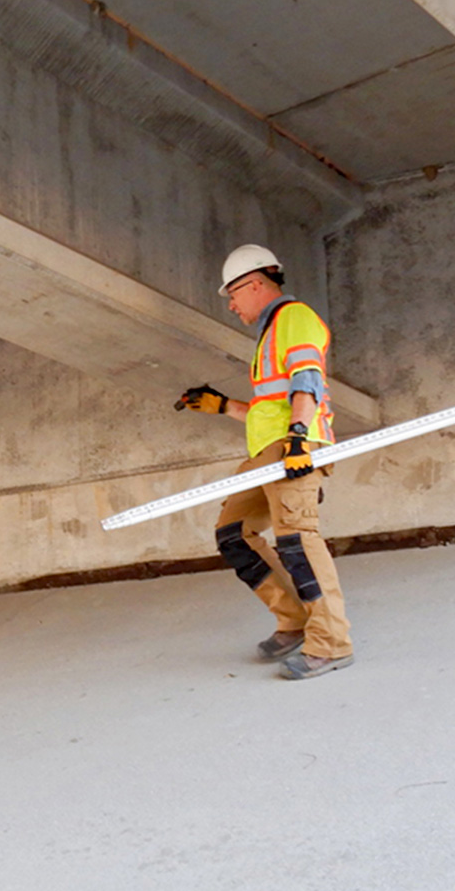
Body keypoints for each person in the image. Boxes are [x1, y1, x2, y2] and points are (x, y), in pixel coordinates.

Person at [177, 244, 353, 680]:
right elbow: (267, 405)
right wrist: (222, 406)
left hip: (292, 447)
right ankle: (295, 620)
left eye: (233, 294)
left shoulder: (294, 317)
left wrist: (297, 437)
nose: (231, 304)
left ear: (255, 283)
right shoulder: (270, 331)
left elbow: (306, 379)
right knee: (233, 534)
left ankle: (331, 644)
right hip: (267, 452)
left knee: (297, 540)